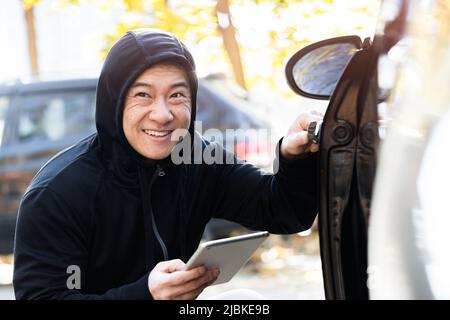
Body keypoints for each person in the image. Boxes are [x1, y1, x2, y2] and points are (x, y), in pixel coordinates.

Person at [13, 29, 319, 300]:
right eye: (143, 95)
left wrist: (295, 157)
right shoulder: (59, 191)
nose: (162, 114)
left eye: (176, 95)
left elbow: (285, 212)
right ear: (114, 101)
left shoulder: (198, 158)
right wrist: (146, 294)